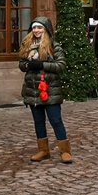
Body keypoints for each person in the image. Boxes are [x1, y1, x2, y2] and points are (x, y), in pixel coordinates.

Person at [18, 17, 72, 163]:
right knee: (38, 121)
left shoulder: (54, 46)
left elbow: (61, 65)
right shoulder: (27, 44)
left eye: (39, 28)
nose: (36, 30)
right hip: (33, 90)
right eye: (34, 28)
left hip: (50, 89)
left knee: (55, 120)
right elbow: (22, 64)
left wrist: (42, 65)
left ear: (46, 29)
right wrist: (29, 65)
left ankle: (65, 151)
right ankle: (43, 150)